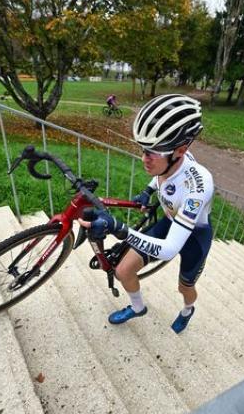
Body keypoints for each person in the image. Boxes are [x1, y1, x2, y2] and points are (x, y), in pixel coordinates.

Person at [80, 94, 214, 334]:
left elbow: (170, 249)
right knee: (122, 271)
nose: (144, 159)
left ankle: (188, 309)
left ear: (181, 150)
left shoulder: (199, 186)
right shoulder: (173, 159)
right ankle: (138, 307)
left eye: (152, 153)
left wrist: (119, 228)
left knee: (184, 287)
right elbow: (163, 176)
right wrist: (148, 190)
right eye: (143, 150)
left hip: (195, 237)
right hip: (171, 221)